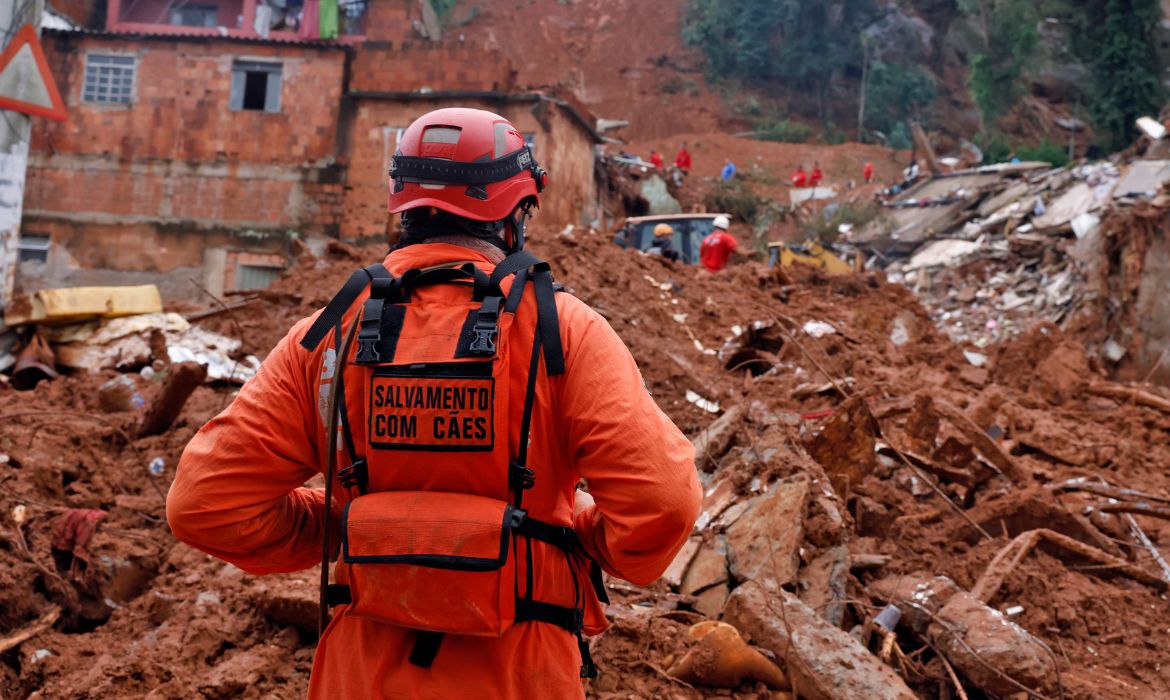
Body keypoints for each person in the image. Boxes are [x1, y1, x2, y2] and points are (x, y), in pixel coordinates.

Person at [167, 107, 701, 699]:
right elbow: (662, 504)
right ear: (515, 213)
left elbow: (204, 504)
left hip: (359, 677)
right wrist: (571, 538)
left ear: (402, 206)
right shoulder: (564, 332)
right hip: (521, 675)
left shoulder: (326, 337)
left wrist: (354, 528)